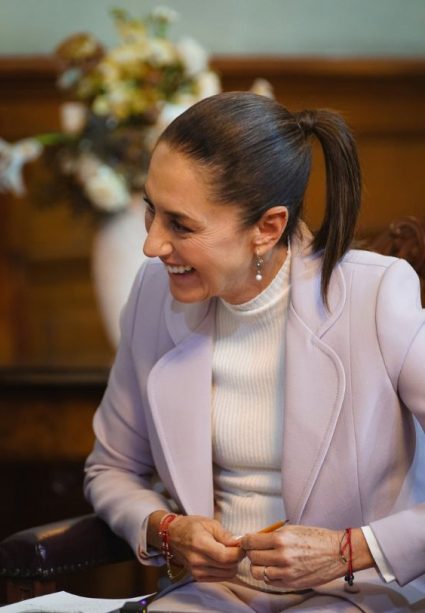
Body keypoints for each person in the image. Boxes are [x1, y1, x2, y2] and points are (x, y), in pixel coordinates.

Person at [84, 92, 425, 610]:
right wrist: (166, 528)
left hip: (354, 593)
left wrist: (350, 550)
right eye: (150, 211)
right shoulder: (152, 295)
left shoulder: (378, 294)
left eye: (180, 224)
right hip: (209, 595)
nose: (151, 245)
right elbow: (111, 468)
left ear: (267, 228)